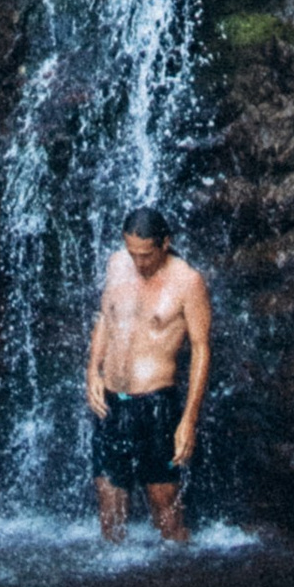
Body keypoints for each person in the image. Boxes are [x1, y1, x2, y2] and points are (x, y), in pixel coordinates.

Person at [84, 202, 211, 542]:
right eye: (132, 253)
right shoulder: (116, 265)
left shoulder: (188, 281)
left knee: (166, 516)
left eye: (146, 255)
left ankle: (180, 584)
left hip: (156, 407)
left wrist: (188, 420)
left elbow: (201, 349)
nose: (138, 263)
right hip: (111, 404)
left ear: (164, 243)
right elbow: (105, 319)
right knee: (110, 518)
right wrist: (92, 371)